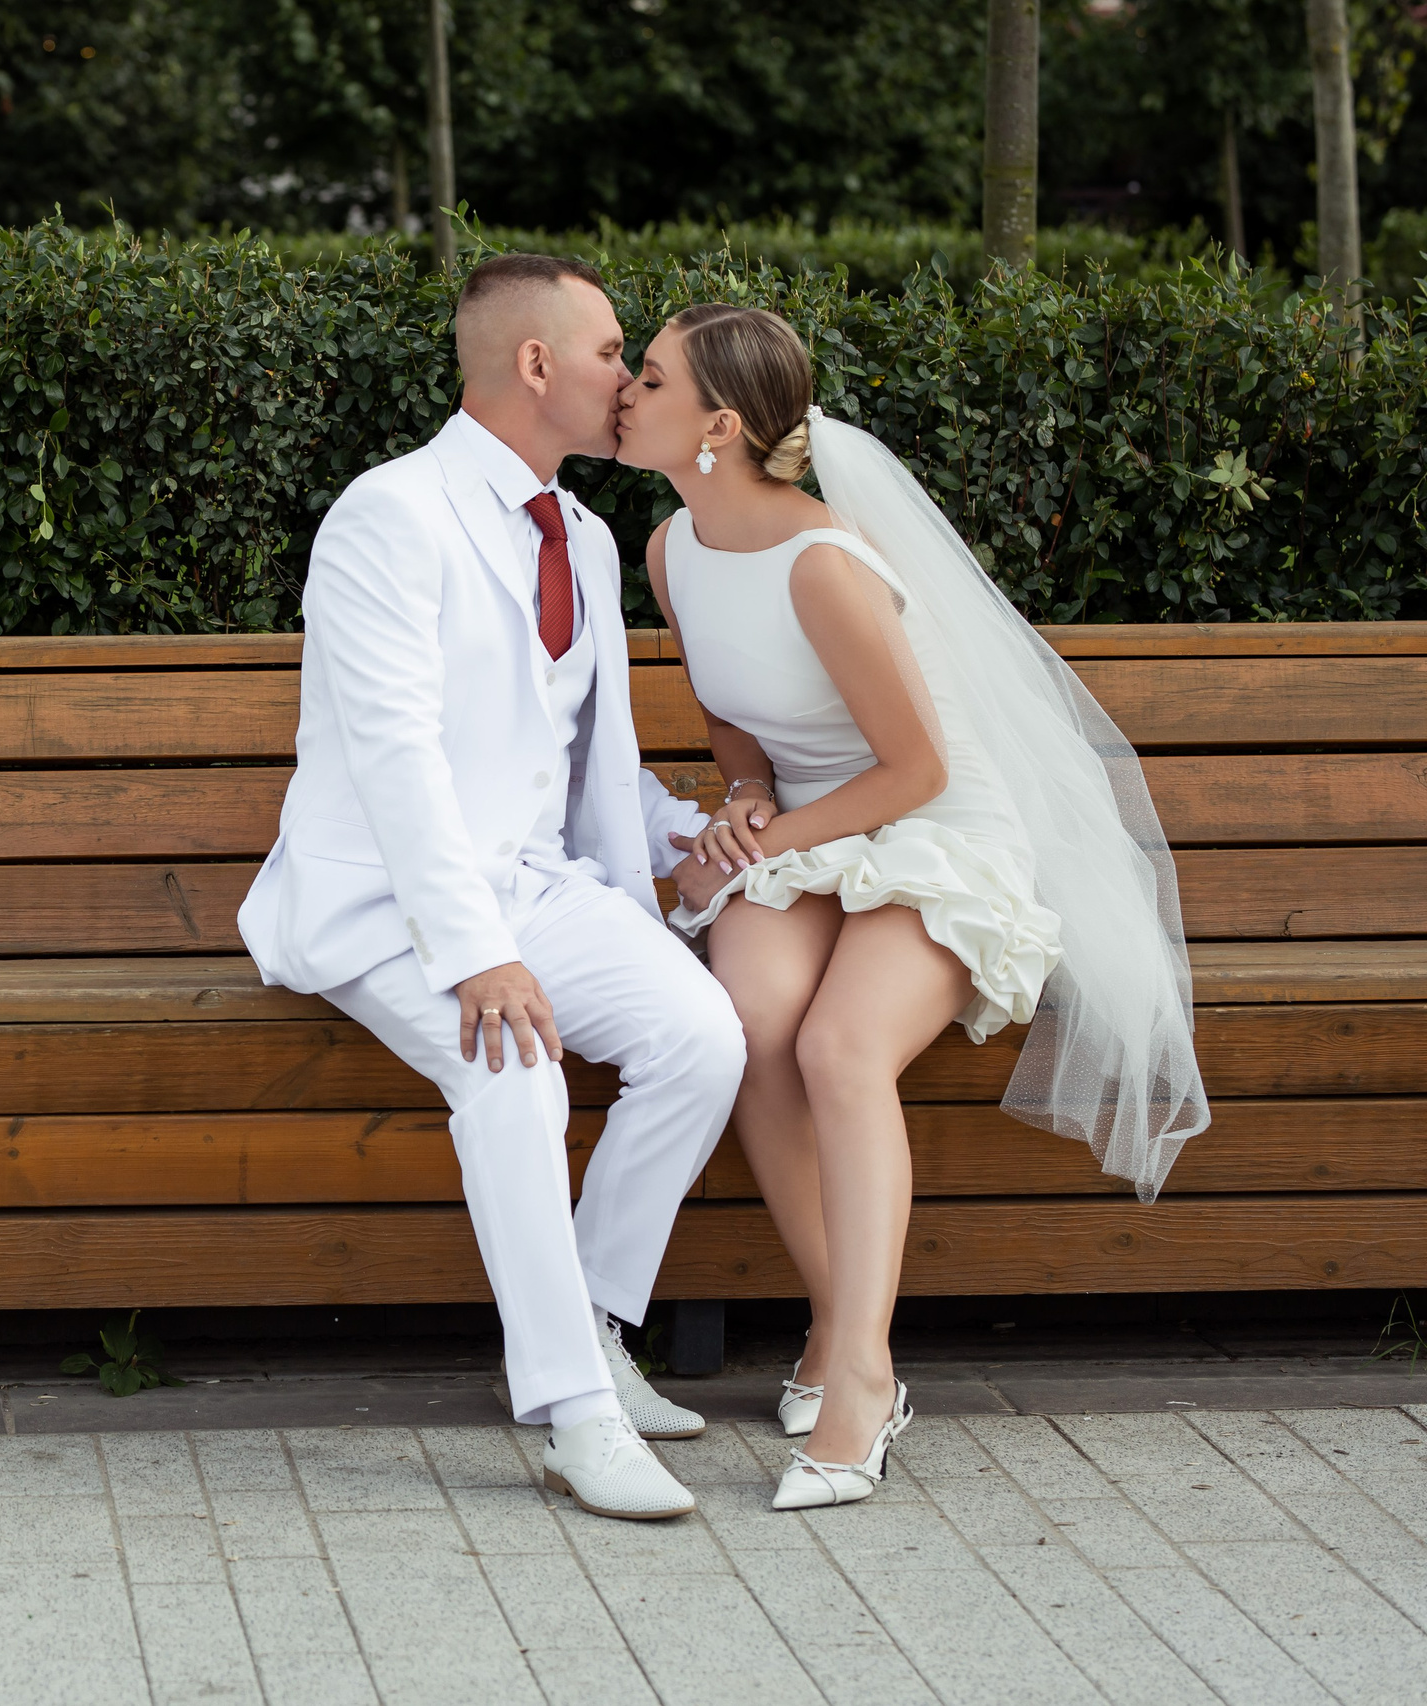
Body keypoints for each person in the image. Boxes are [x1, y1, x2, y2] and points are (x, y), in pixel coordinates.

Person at [619, 304, 1208, 1511]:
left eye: (651, 374)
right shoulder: (672, 546)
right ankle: (846, 1335)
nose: (625, 386)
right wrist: (738, 804)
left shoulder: (825, 562)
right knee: (751, 1023)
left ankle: (856, 1381)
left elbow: (918, 770)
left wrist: (757, 843)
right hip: (809, 824)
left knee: (840, 1045)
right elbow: (736, 727)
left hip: (935, 824)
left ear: (717, 424)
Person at [236, 254, 746, 1521]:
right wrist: (474, 953)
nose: (625, 375)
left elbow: (586, 756)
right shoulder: (388, 515)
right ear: (534, 363)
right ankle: (573, 1415)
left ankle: (593, 1327)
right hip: (384, 904)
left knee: (700, 1034)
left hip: (529, 881)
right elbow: (396, 753)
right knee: (511, 1062)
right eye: (607, 349)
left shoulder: (579, 532)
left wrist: (693, 844)